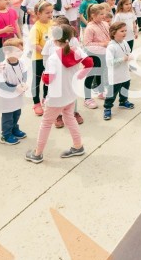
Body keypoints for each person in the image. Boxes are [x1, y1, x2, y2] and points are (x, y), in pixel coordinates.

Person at [25, 24, 92, 163]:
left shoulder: (53, 58)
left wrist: (43, 76)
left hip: (56, 98)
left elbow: (48, 80)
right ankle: (78, 146)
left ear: (54, 40)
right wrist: (79, 76)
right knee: (70, 118)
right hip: (71, 93)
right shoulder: (77, 50)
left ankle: (37, 154)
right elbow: (90, 63)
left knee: (46, 123)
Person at [0, 38, 29, 145]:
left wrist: (24, 83)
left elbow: (24, 74)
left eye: (21, 49)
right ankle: (5, 135)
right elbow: (0, 84)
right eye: (18, 51)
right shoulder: (2, 66)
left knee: (17, 112)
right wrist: (15, 88)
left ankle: (14, 129)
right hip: (6, 96)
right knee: (8, 116)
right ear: (7, 52)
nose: (22, 52)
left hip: (17, 94)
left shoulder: (21, 63)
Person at [103, 22, 135, 120]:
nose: (124, 33)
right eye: (122, 31)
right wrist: (123, 59)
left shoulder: (124, 42)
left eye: (125, 30)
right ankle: (107, 108)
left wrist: (129, 59)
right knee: (112, 93)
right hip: (115, 75)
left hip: (125, 73)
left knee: (125, 88)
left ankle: (123, 101)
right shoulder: (111, 47)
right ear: (113, 33)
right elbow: (109, 62)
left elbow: (128, 53)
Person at [82, 3, 111, 110]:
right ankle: (87, 98)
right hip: (93, 55)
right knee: (91, 75)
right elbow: (87, 44)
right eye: (101, 14)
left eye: (104, 13)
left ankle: (100, 91)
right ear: (93, 15)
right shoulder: (90, 28)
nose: (104, 16)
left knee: (101, 72)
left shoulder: (104, 23)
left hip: (103, 53)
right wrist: (103, 44)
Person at [30, 1, 55, 116]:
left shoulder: (53, 24)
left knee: (48, 80)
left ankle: (46, 99)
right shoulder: (36, 28)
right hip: (39, 59)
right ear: (38, 14)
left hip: (50, 59)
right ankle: (36, 103)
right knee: (36, 81)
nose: (50, 14)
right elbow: (34, 45)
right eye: (47, 12)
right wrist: (46, 53)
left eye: (51, 12)